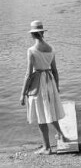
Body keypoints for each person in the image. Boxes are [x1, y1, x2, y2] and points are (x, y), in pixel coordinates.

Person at [20, 20, 67, 155]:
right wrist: (56, 87)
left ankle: (46, 148)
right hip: (50, 82)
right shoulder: (51, 48)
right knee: (49, 111)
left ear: (33, 35)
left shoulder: (31, 50)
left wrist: (22, 94)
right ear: (42, 33)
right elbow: (55, 71)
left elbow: (28, 74)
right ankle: (61, 134)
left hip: (38, 83)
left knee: (41, 115)